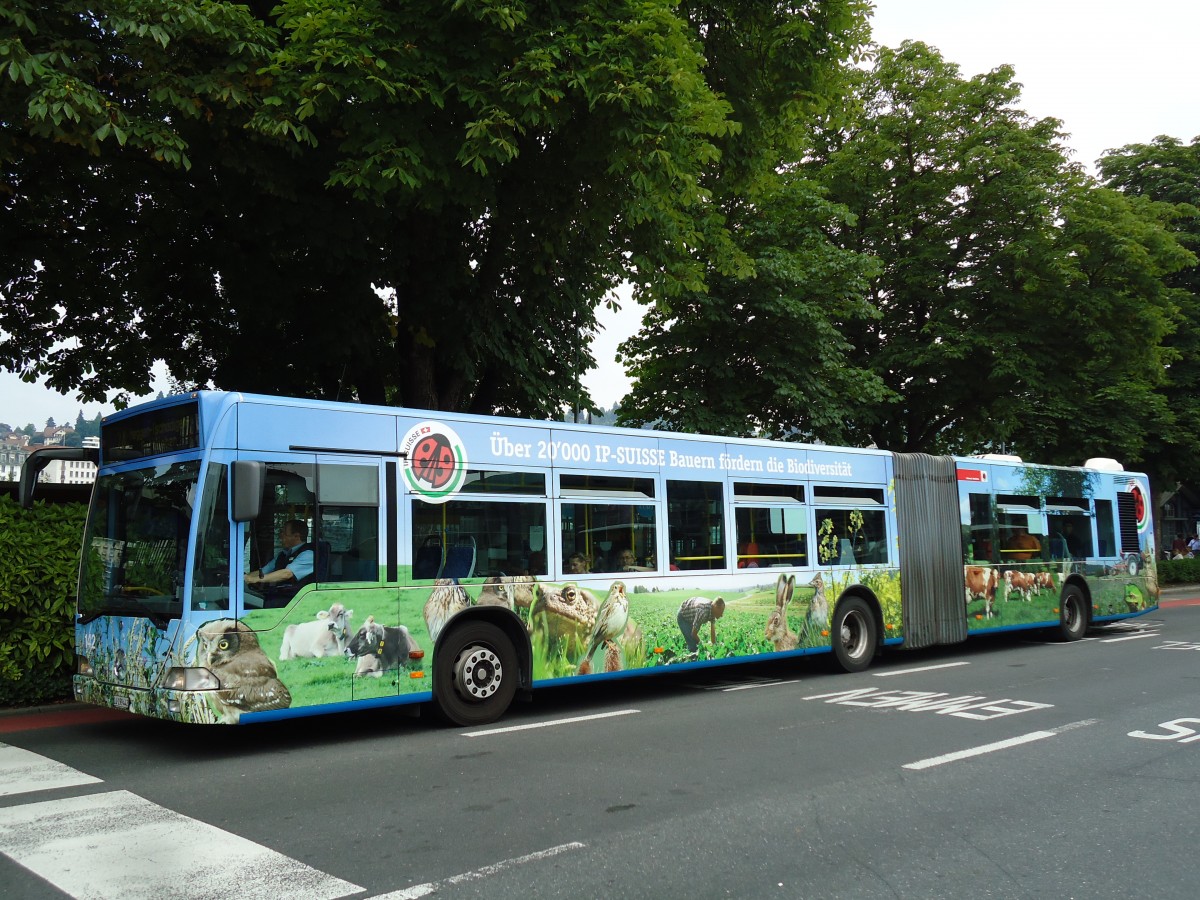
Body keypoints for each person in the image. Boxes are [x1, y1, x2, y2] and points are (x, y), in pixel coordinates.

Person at [245, 520, 314, 591]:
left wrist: (253, 579)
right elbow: (263, 571)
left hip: (296, 597)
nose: (280, 536)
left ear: (296, 536)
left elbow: (286, 574)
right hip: (281, 593)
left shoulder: (308, 554)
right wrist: (243, 578)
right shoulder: (283, 554)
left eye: (284, 533)